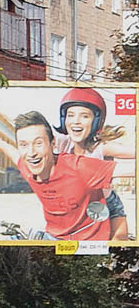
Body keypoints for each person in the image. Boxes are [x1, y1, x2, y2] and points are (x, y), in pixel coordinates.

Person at [10, 110, 132, 240]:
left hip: (93, 232)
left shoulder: (80, 166)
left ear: (53, 144)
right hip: (57, 237)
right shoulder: (27, 165)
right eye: (23, 145)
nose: (31, 152)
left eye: (38, 143)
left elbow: (128, 169)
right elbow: (13, 154)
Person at [52, 87, 134, 240]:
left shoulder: (102, 148)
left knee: (117, 245)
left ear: (96, 121)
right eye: (70, 115)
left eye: (84, 116)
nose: (76, 121)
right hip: (73, 207)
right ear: (64, 119)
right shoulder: (63, 143)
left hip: (106, 206)